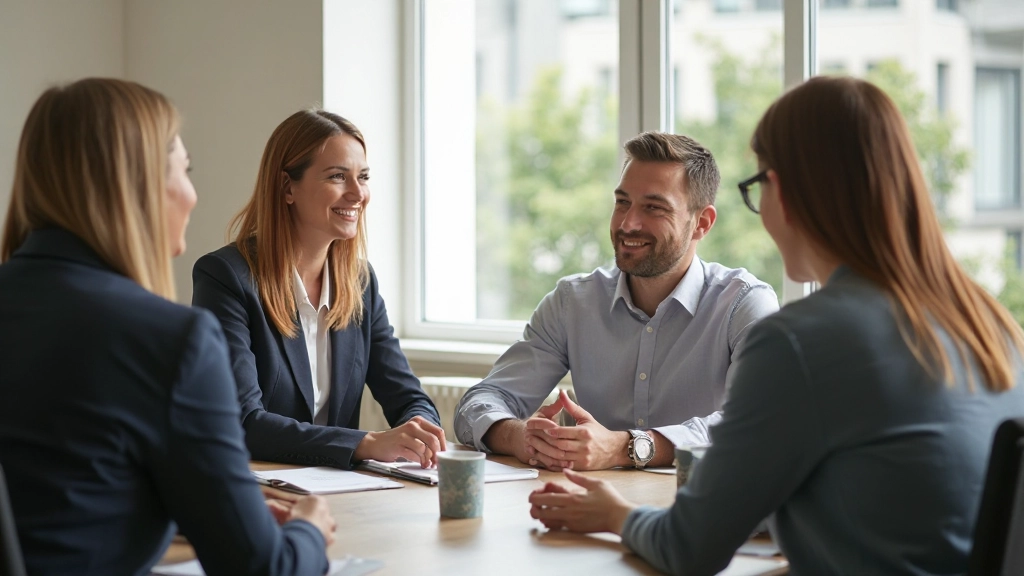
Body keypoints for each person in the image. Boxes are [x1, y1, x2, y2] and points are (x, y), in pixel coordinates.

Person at [526, 75, 1024, 575]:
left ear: (781, 190)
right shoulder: (991, 325)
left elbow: (689, 548)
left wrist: (614, 513)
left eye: (757, 186)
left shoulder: (799, 342)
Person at [0, 78, 335, 576]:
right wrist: (309, 527)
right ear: (137, 186)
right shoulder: (169, 339)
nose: (193, 195)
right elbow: (265, 569)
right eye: (185, 170)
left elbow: (55, 499)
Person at [454, 132, 779, 471]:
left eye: (653, 207)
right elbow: (478, 404)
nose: (628, 223)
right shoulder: (572, 303)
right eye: (623, 202)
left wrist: (628, 447)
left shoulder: (744, 304)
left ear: (702, 223)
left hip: (702, 513)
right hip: (595, 509)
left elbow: (760, 422)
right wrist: (521, 438)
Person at [192, 110, 445, 470]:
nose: (358, 193)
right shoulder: (226, 277)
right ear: (287, 187)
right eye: (338, 177)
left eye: (364, 177)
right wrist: (367, 443)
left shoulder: (360, 282)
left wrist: (420, 428)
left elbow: (406, 395)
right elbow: (244, 422)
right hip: (260, 486)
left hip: (342, 489)